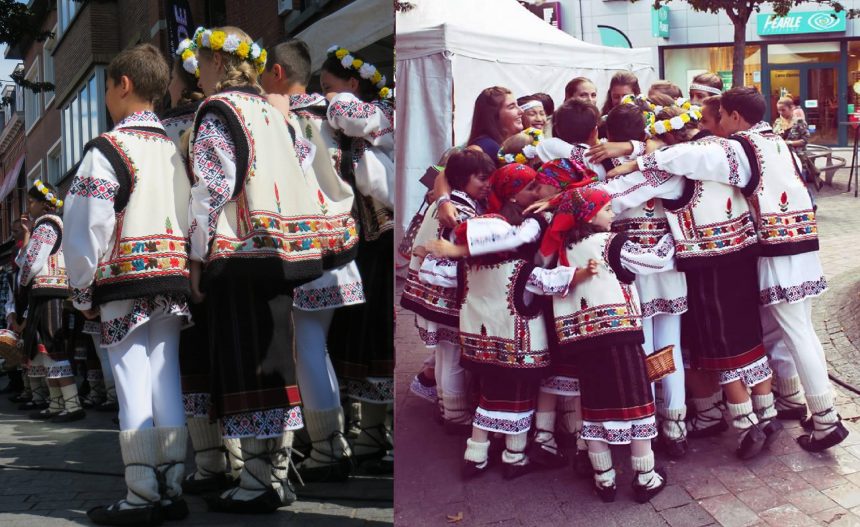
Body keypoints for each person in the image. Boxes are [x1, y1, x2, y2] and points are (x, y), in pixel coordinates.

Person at [187, 26, 325, 512]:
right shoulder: (276, 111)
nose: (198, 74)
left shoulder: (218, 112)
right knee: (276, 358)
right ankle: (277, 475)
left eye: (202, 63)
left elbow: (211, 189)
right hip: (285, 254)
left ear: (219, 64)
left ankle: (255, 483)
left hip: (240, 254)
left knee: (245, 363)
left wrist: (197, 257)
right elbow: (302, 165)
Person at [608, 97, 779, 461]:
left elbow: (615, 198)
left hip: (696, 268)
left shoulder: (674, 170)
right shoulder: (719, 153)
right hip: (739, 255)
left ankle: (739, 422)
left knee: (715, 346)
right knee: (743, 335)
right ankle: (764, 413)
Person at [63, 43, 191, 526]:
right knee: (166, 376)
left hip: (123, 280)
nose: (107, 102)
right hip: (172, 277)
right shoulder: (174, 150)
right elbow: (192, 215)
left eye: (108, 90)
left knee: (132, 377)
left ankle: (141, 491)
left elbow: (85, 225)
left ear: (124, 85)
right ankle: (172, 484)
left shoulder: (107, 149)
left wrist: (82, 290)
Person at [261, 38, 366, 483]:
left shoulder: (283, 119)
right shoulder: (335, 114)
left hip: (305, 249)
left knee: (307, 348)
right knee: (316, 347)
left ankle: (328, 445)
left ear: (279, 74)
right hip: (342, 243)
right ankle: (330, 440)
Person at [720, 87, 848, 451]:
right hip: (800, 247)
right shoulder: (774, 140)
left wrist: (637, 156)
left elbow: (693, 158)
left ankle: (825, 420)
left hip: (781, 252)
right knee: (793, 330)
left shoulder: (742, 144)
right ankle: (798, 401)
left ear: (733, 116)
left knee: (797, 333)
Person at [423, 163, 567, 480]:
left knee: (489, 397)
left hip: (481, 345)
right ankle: (514, 457)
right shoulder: (522, 264)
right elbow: (553, 279)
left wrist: (458, 249)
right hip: (520, 343)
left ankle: (476, 454)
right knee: (517, 397)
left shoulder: (469, 266)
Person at [538, 186, 673, 503]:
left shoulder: (566, 248)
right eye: (607, 208)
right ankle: (645, 477)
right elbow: (654, 262)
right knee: (636, 405)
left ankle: (605, 479)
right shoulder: (611, 244)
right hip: (619, 337)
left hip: (583, 341)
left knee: (595, 408)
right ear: (589, 214)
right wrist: (670, 237)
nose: (613, 213)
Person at [322, 44, 396, 473]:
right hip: (366, 245)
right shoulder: (362, 134)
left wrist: (336, 104)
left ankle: (375, 432)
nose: (326, 99)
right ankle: (371, 432)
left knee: (376, 334)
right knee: (365, 335)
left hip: (380, 243)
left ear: (352, 85)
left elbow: (378, 186)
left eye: (330, 89)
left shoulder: (379, 115)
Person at [402, 149, 493, 434]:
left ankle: (445, 407)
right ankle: (454, 415)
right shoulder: (460, 211)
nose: (487, 184)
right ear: (463, 178)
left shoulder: (453, 201)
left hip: (436, 296)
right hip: (449, 296)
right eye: (481, 179)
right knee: (452, 353)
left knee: (445, 353)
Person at [18, 181, 82, 424]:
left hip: (47, 290)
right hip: (49, 291)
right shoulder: (49, 224)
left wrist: (24, 281)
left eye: (32, 202)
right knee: (45, 348)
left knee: (52, 346)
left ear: (43, 204)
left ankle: (72, 403)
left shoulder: (46, 225)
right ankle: (57, 403)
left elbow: (33, 260)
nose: (30, 207)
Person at [773, 95, 823, 196]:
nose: (781, 113)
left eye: (783, 110)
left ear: (791, 108)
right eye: (779, 110)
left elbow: (805, 140)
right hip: (782, 158)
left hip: (798, 158)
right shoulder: (778, 122)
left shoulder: (799, 122)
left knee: (801, 185)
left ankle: (810, 206)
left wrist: (790, 143)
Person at [467, 86, 524, 159]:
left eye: (517, 105)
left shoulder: (515, 144)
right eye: (512, 107)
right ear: (494, 115)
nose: (521, 111)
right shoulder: (480, 149)